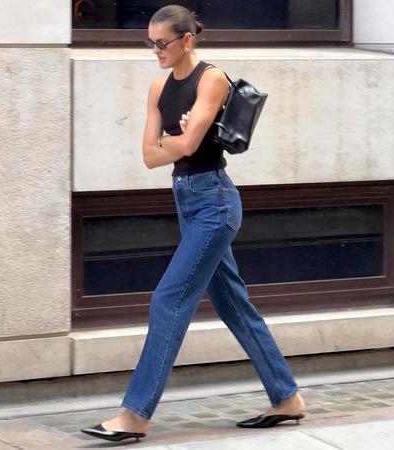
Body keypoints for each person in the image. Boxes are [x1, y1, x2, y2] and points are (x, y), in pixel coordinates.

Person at [81, 4, 305, 443]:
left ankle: (135, 415)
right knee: (232, 303)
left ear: (187, 40)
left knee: (168, 299)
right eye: (150, 43)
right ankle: (287, 397)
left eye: (161, 43)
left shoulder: (212, 78)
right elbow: (150, 157)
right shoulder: (157, 88)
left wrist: (176, 141)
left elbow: (188, 143)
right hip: (188, 201)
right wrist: (176, 141)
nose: (155, 51)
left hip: (215, 203)